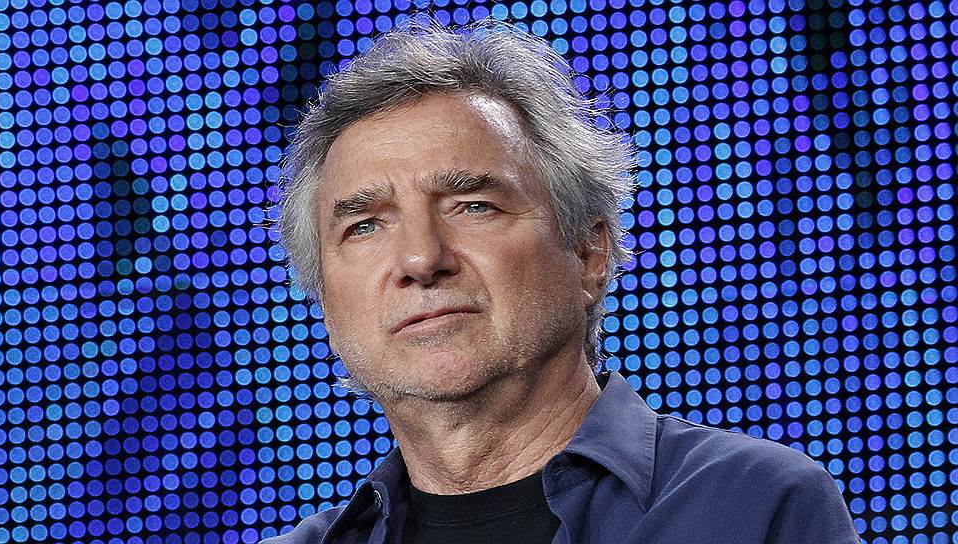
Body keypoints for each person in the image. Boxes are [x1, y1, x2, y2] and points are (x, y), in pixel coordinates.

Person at [264, 17, 860, 544]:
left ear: (589, 252)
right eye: (365, 226)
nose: (421, 259)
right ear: (326, 302)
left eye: (473, 206)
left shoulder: (754, 506)